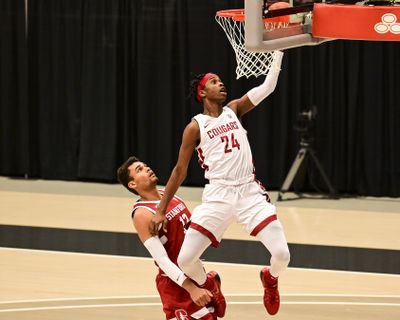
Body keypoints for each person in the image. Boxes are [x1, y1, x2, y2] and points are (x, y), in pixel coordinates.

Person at [150, 50, 290, 316]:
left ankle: (270, 279)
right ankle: (209, 283)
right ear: (202, 93)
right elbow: (179, 171)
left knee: (282, 255)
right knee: (185, 260)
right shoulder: (195, 127)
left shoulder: (234, 110)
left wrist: (279, 50)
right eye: (214, 81)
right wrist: (160, 209)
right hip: (218, 195)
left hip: (249, 192)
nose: (221, 83)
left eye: (221, 80)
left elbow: (268, 86)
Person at [117, 156, 226, 319]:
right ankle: (211, 283)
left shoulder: (171, 196)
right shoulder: (142, 214)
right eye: (139, 170)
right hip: (175, 284)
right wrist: (191, 288)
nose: (146, 169)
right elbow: (161, 260)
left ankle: (209, 283)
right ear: (132, 184)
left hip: (194, 272)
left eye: (145, 165)